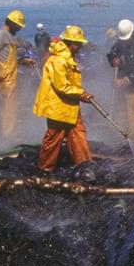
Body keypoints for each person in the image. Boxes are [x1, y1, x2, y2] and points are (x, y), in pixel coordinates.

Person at [32, 26, 94, 174]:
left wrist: (79, 94)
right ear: (71, 43)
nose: (81, 47)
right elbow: (62, 87)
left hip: (70, 105)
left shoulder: (67, 57)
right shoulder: (58, 60)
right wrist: (81, 94)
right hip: (57, 106)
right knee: (54, 137)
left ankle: (84, 166)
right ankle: (44, 169)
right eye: (79, 44)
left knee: (78, 133)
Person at [0, 10, 35, 141]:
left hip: (10, 77)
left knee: (7, 108)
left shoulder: (9, 36)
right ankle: (7, 139)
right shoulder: (1, 34)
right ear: (13, 24)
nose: (20, 29)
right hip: (5, 78)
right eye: (19, 26)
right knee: (9, 110)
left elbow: (7, 57)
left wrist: (22, 62)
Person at [106, 19, 134, 146]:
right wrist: (113, 60)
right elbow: (112, 53)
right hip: (121, 88)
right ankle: (121, 143)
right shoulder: (119, 43)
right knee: (121, 115)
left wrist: (126, 80)